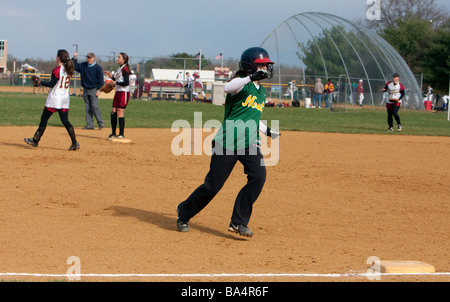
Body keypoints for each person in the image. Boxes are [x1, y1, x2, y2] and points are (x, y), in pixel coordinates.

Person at [176, 47, 280, 237]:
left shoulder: (261, 92)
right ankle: (183, 212)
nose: (266, 68)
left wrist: (267, 131)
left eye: (267, 65)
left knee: (258, 177)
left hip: (250, 142)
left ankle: (238, 222)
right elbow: (227, 87)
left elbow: (252, 117)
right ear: (251, 66)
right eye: (262, 64)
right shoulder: (241, 84)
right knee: (212, 186)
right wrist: (251, 77)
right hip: (227, 142)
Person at [24, 49, 80, 151]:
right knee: (65, 121)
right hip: (64, 99)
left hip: (55, 99)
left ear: (58, 58)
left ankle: (35, 141)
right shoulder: (68, 69)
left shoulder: (58, 69)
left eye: (56, 56)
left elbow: (51, 84)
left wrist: (40, 82)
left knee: (44, 120)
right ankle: (74, 143)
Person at [72, 52, 105, 130]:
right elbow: (75, 66)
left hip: (94, 89)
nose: (88, 59)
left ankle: (100, 123)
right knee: (87, 108)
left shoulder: (98, 68)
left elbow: (101, 81)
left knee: (94, 106)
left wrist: (99, 90)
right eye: (88, 57)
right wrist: (74, 58)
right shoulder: (83, 65)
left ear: (94, 58)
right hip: (85, 89)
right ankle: (89, 125)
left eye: (90, 58)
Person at [104, 53, 131, 140]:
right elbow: (116, 80)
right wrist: (110, 77)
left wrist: (116, 83)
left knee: (120, 112)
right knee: (113, 111)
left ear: (124, 60)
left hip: (124, 93)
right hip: (118, 92)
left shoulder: (125, 69)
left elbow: (126, 82)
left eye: (119, 57)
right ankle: (113, 133)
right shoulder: (120, 69)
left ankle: (121, 134)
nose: (117, 58)